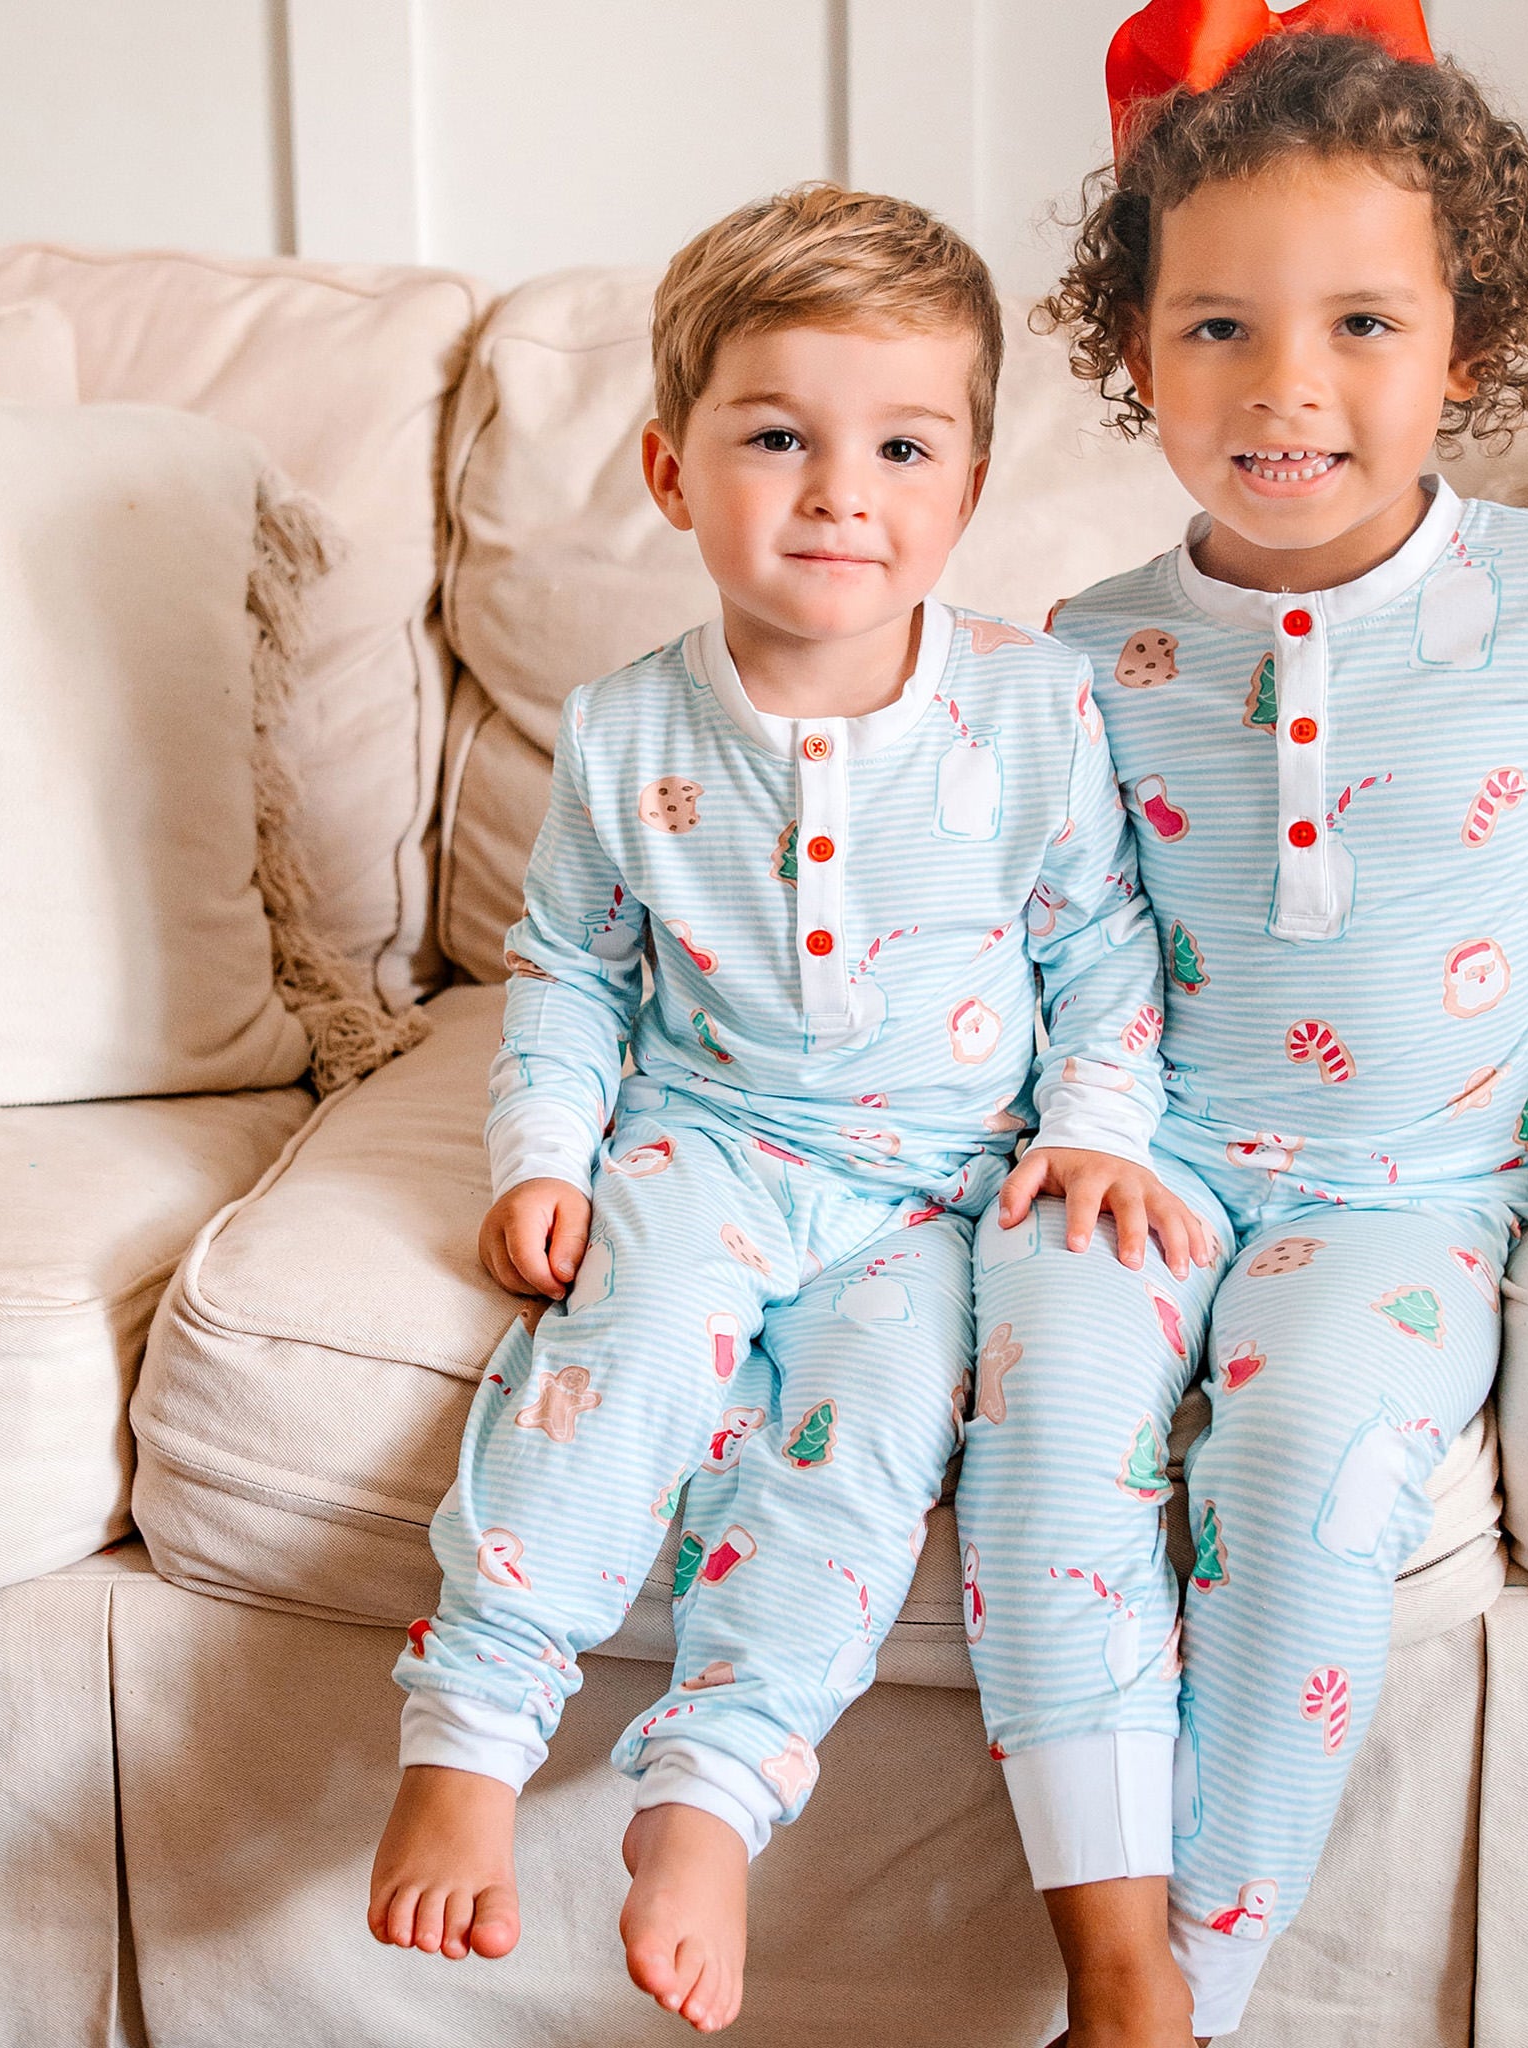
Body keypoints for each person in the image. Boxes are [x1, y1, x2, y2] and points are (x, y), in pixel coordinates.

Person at [956, 7, 1528, 2043]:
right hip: (1137, 1171)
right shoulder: (1089, 651)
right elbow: (1040, 943)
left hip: (1412, 1196)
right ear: (1129, 354)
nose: (1287, 384)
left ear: (1466, 346)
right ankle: (1110, 1965)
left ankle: (1186, 1990)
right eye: (1215, 329)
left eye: (1362, 323)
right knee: (1044, 1419)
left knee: (1297, 1462)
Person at [365, 182, 1209, 2036]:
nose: (842, 492)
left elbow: (1103, 957)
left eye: (901, 445)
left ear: (966, 485)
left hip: (940, 1195)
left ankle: (713, 1798)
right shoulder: (624, 734)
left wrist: (1099, 1130)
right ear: (674, 473)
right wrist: (545, 1158)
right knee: (623, 1359)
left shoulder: (1035, 709)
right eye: (778, 439)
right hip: (708, 1140)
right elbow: (572, 977)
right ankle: (475, 1728)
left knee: (870, 1451)